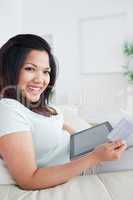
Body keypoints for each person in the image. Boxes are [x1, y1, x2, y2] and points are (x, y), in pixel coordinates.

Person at [0, 34, 127, 190]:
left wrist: (83, 140)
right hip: (84, 165)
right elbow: (28, 179)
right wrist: (94, 157)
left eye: (46, 71)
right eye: (30, 69)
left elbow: (57, 124)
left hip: (88, 153)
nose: (41, 80)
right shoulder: (8, 109)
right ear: (8, 70)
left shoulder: (32, 104)